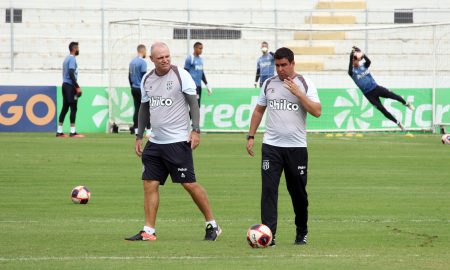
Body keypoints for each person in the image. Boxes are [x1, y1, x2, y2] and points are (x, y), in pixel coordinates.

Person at [126, 42, 221, 242]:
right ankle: (149, 231)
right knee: (149, 183)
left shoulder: (181, 75)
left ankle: (212, 224)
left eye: (167, 56)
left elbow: (193, 103)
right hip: (155, 142)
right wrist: (138, 135)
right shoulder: (147, 79)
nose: (165, 60)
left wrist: (195, 130)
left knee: (189, 184)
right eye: (160, 57)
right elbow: (144, 108)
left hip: (178, 141)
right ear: (151, 59)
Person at [246, 47, 321, 246]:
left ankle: (301, 231)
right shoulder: (268, 84)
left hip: (296, 148)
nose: (280, 69)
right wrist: (251, 136)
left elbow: (317, 111)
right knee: (269, 191)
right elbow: (259, 110)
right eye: (277, 65)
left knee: (298, 193)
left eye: (284, 65)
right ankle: (269, 235)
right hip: (271, 147)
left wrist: (299, 94)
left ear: (292, 63)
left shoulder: (305, 83)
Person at [348, 46, 414, 130]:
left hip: (376, 88)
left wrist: (362, 54)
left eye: (356, 59)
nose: (355, 61)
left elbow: (369, 61)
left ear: (358, 59)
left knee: (393, 95)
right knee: (382, 110)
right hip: (369, 95)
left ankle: (406, 104)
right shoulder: (352, 72)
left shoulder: (363, 66)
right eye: (353, 60)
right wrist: (351, 57)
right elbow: (349, 70)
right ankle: (398, 123)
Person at [56, 41, 84, 138]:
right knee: (73, 107)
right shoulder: (72, 59)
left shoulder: (66, 59)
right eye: (78, 48)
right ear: (74, 49)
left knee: (65, 108)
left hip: (64, 85)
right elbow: (71, 73)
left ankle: (59, 132)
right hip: (70, 86)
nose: (79, 50)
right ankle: (72, 132)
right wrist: (77, 86)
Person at [184, 42, 212, 107]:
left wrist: (207, 85)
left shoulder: (201, 59)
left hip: (199, 86)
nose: (201, 50)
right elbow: (185, 72)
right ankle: (189, 117)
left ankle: (192, 117)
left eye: (202, 49)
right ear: (195, 48)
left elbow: (201, 73)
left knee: (197, 105)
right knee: (194, 105)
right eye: (200, 48)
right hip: (192, 87)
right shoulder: (190, 58)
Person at [128, 44, 148, 135]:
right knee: (146, 108)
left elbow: (129, 76)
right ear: (143, 51)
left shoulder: (132, 62)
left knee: (137, 109)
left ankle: (136, 130)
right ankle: (148, 130)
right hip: (141, 89)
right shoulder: (143, 62)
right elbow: (144, 77)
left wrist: (132, 86)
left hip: (134, 88)